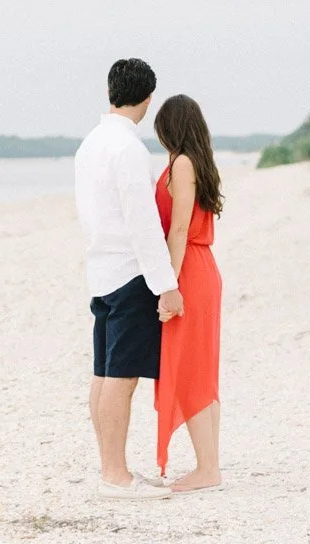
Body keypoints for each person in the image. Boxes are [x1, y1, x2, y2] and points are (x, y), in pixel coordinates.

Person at [74, 57, 181, 500]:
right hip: (128, 274)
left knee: (103, 372)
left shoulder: (90, 144)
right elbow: (144, 224)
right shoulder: (129, 150)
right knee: (121, 377)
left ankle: (109, 468)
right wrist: (166, 284)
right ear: (148, 99)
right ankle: (115, 475)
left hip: (100, 271)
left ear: (109, 92)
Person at [152, 93, 224, 492]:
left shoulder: (181, 163)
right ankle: (210, 463)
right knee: (203, 367)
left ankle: (207, 469)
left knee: (192, 369)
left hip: (190, 271)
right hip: (204, 266)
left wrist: (168, 286)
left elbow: (178, 229)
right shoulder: (199, 161)